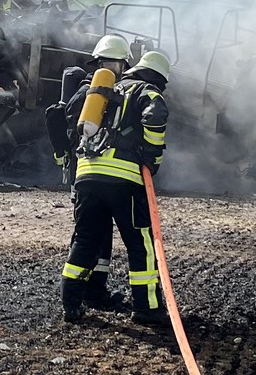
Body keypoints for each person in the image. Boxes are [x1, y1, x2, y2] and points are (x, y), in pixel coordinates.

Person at [61, 47, 171, 327]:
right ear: (158, 78)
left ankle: (71, 304)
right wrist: (152, 157)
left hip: (86, 174)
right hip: (123, 180)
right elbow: (155, 115)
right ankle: (148, 308)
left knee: (85, 239)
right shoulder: (147, 90)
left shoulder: (107, 90)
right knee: (140, 244)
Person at [46, 35, 132, 312]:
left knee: (96, 234)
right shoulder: (104, 95)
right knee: (88, 237)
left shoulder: (81, 95)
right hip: (97, 176)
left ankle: (93, 292)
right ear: (120, 65)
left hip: (84, 176)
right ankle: (75, 299)